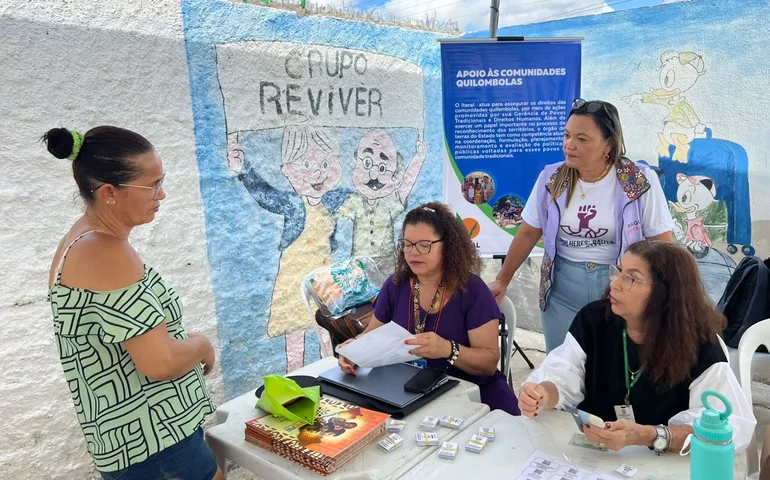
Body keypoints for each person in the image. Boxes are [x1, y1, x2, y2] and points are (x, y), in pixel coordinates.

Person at [44, 127, 222, 480]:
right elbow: (160, 363)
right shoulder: (104, 250)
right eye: (152, 184)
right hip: (156, 443)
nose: (163, 194)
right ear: (110, 192)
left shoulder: (79, 241)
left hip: (139, 442)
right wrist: (201, 345)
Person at [518, 241, 756, 454]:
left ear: (665, 292)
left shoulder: (700, 344)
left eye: (631, 278)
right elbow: (563, 373)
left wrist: (650, 436)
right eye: (618, 271)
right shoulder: (595, 319)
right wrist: (543, 394)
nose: (615, 284)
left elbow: (732, 427)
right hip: (595, 452)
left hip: (663, 461)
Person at [489, 98, 675, 352]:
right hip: (562, 289)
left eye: (582, 139)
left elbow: (661, 242)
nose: (569, 145)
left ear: (608, 144)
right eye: (567, 135)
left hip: (621, 287)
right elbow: (529, 232)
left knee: (614, 368)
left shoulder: (638, 179)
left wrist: (670, 293)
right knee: (562, 367)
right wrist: (502, 279)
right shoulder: (551, 178)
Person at [338, 202, 520, 415]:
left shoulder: (472, 290)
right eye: (407, 244)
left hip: (474, 396)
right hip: (411, 393)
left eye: (425, 244)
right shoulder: (396, 285)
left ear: (448, 246)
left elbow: (488, 363)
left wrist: (448, 349)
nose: (413, 252)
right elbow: (370, 336)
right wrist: (352, 351)